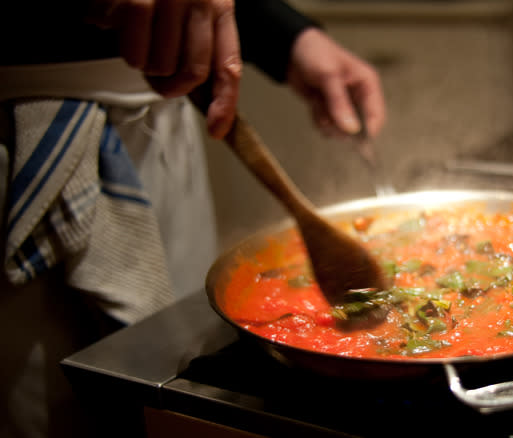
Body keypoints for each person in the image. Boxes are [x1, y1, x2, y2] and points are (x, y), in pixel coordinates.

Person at [0, 0, 385, 437]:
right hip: (22, 138)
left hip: (166, 113)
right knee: (51, 410)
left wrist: (288, 37)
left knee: (181, 364)